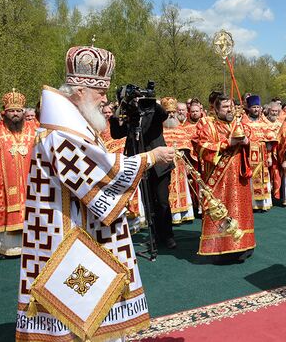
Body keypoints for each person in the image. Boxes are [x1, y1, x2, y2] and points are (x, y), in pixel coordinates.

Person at [16, 44, 176, 341]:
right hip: (66, 234)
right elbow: (99, 174)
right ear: (79, 92)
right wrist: (151, 158)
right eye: (100, 93)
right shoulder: (61, 131)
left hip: (80, 226)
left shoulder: (74, 125)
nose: (106, 100)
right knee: (74, 311)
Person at [109, 83, 176, 249]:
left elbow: (162, 115)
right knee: (148, 202)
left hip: (159, 163)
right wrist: (116, 114)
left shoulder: (152, 110)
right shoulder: (130, 115)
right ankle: (154, 235)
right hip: (140, 162)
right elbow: (116, 133)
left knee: (161, 201)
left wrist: (150, 100)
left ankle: (166, 235)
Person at [193, 93, 255, 263]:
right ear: (216, 109)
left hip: (239, 179)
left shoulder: (240, 123)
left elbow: (256, 142)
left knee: (241, 212)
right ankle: (221, 249)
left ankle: (243, 246)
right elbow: (201, 147)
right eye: (226, 107)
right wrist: (228, 143)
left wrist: (247, 141)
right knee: (221, 210)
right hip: (219, 179)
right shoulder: (208, 126)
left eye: (231, 106)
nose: (230, 109)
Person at [0, 90, 37, 257]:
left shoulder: (34, 130)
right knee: (6, 210)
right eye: (12, 111)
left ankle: (31, 246)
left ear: (23, 112)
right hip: (2, 183)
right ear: (5, 112)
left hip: (31, 181)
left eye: (18, 111)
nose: (15, 114)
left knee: (32, 210)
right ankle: (7, 248)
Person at [161, 97, 195, 224]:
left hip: (180, 165)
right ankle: (169, 216)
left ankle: (183, 214)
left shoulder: (181, 128)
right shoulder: (159, 130)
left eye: (172, 113)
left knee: (182, 188)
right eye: (168, 113)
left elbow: (187, 147)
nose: (170, 115)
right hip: (165, 165)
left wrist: (187, 164)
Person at [243, 95, 274, 211]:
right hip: (249, 154)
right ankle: (252, 204)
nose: (256, 109)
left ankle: (264, 203)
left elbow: (269, 141)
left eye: (258, 107)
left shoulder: (265, 123)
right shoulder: (243, 122)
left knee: (263, 178)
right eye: (254, 107)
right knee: (251, 178)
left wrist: (270, 156)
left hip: (263, 154)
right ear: (249, 108)